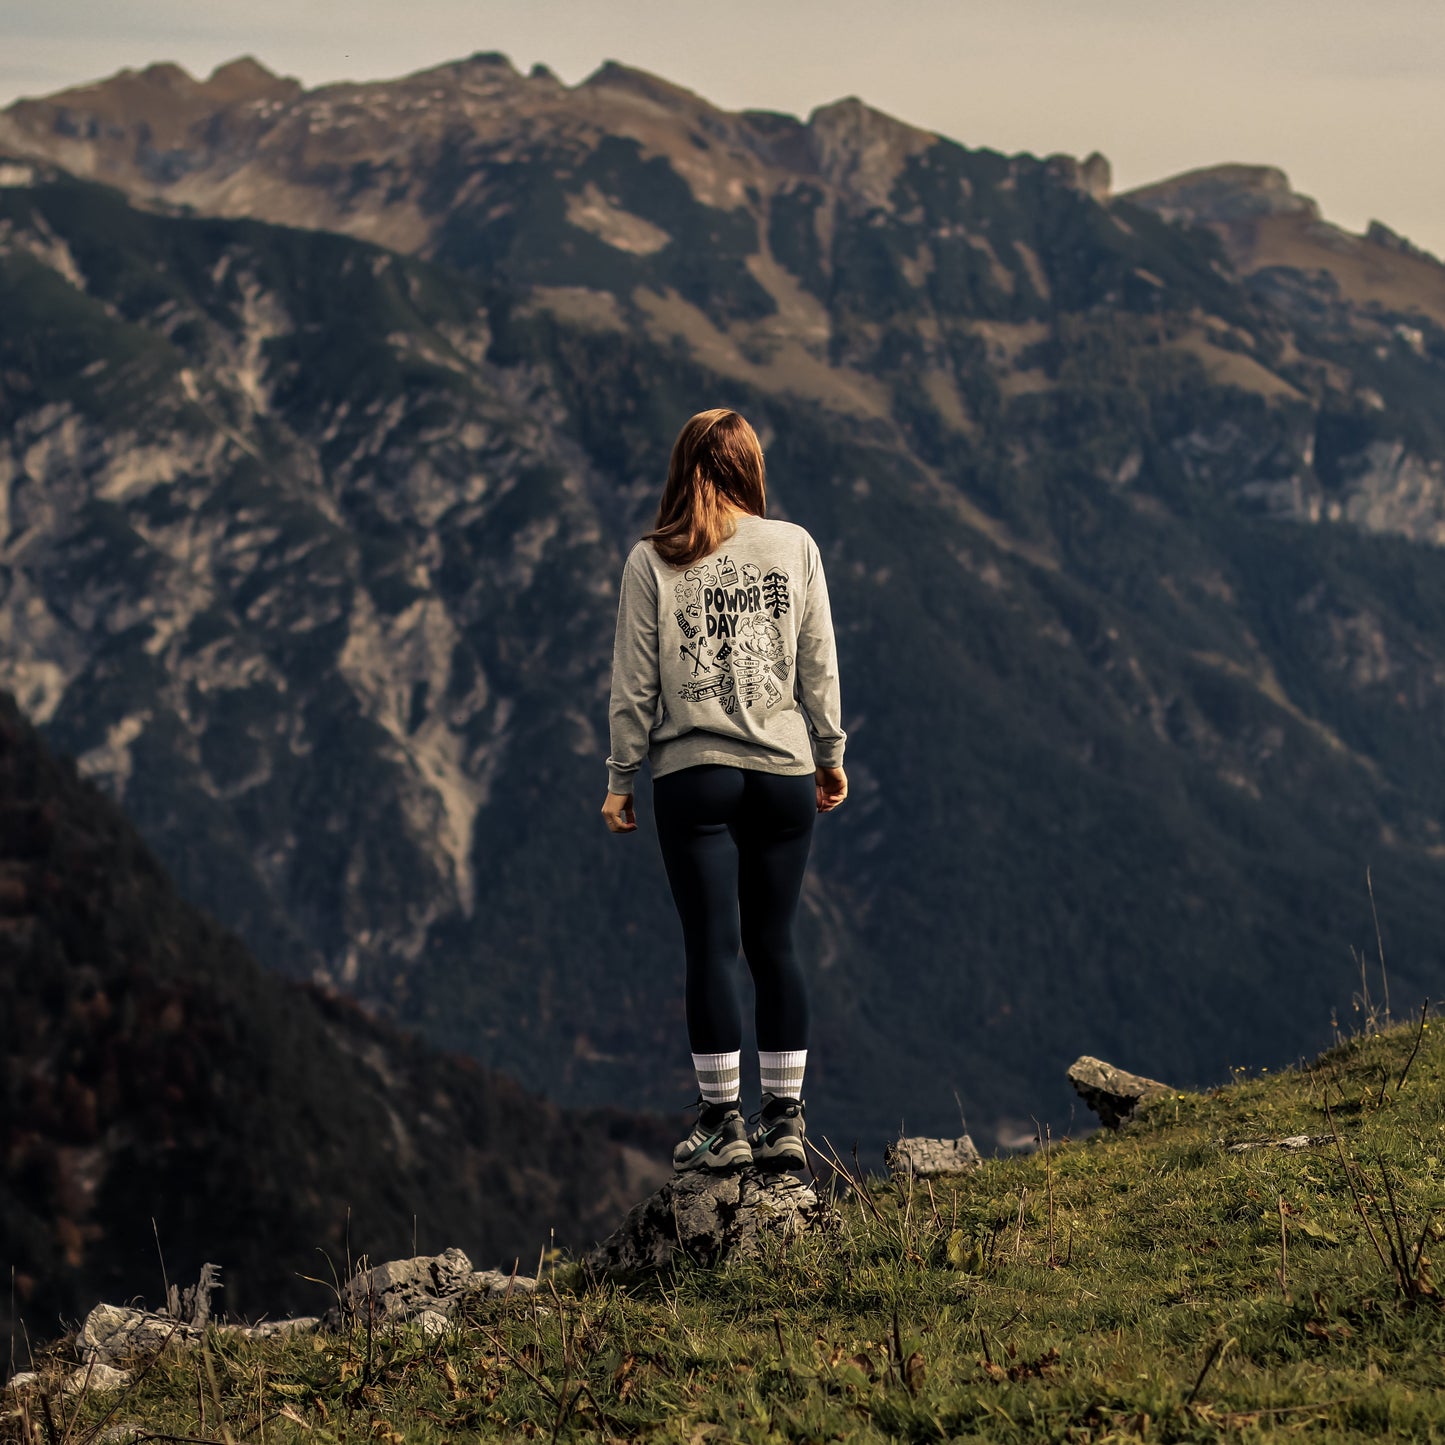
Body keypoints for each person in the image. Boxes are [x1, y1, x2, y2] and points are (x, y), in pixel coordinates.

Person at [601, 407, 848, 1175]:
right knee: (775, 943)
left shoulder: (653, 559)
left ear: (682, 469)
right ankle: (785, 1120)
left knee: (710, 947)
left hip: (693, 775)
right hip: (781, 769)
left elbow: (634, 685)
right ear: (749, 468)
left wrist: (619, 779)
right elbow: (819, 666)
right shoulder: (795, 546)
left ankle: (720, 1122)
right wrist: (830, 753)